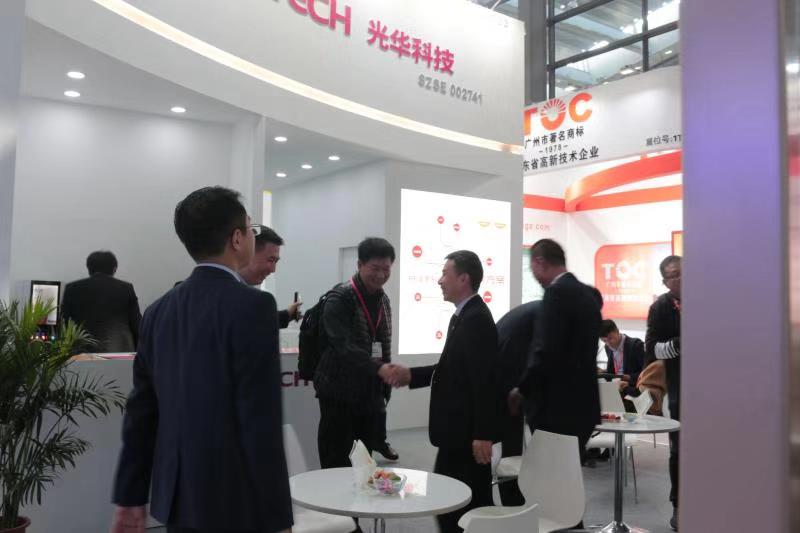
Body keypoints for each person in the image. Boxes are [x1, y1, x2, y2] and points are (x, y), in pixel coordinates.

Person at [110, 187, 292, 533]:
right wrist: (277, 516)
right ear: (236, 239)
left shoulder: (158, 311)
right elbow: (259, 420)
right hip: (235, 498)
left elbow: (142, 412)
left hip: (177, 495)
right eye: (251, 229)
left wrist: (130, 495)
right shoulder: (253, 306)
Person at [385, 250, 498, 533]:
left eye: (445, 274)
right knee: (456, 506)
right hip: (456, 434)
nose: (439, 280)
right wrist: (411, 375)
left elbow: (485, 380)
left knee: (462, 508)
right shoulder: (463, 316)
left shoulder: (476, 319)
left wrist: (483, 433)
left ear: (463, 279)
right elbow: (450, 369)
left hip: (467, 436)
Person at [508, 239, 602, 473]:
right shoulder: (589, 295)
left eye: (532, 268)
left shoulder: (555, 293)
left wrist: (522, 389)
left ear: (540, 261)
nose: (534, 276)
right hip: (584, 407)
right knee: (567, 475)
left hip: (555, 409)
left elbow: (544, 351)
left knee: (549, 477)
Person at [313, 237, 398, 469]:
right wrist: (380, 369)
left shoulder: (383, 300)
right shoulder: (340, 298)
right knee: (336, 462)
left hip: (369, 397)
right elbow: (343, 346)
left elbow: (383, 345)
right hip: (338, 394)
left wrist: (384, 387)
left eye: (386, 269)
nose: (381, 275)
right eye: (375, 268)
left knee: (363, 464)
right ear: (360, 265)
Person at [645, 255, 682, 532]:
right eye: (674, 275)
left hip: (717, 389)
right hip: (680, 389)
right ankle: (679, 506)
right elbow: (652, 348)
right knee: (679, 449)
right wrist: (679, 344)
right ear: (665, 282)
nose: (682, 279)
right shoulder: (660, 307)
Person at [494, 300, 541, 505]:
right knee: (512, 445)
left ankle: (513, 501)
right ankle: (513, 504)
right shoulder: (548, 315)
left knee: (510, 443)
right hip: (508, 376)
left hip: (505, 372)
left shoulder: (535, 310)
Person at [60, 250, 142, 353]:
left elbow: (64, 323)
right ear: (114, 269)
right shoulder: (126, 288)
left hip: (81, 352)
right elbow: (137, 325)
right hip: (120, 352)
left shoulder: (72, 288)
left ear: (89, 268)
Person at [238, 225, 302, 328]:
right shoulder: (234, 296)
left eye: (275, 262)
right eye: (270, 260)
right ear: (249, 253)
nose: (273, 270)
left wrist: (288, 314)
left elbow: (256, 321)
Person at [599, 319, 645, 398]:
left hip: (634, 390)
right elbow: (614, 371)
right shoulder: (607, 347)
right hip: (617, 389)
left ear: (617, 331)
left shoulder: (636, 345)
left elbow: (647, 372)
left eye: (610, 338)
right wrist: (603, 372)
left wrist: (630, 378)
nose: (608, 343)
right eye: (604, 341)